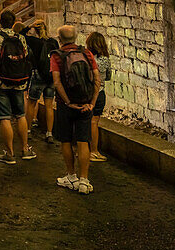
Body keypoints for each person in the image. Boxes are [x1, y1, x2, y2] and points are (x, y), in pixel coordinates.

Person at [51, 25, 101, 194]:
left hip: (66, 105)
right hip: (86, 103)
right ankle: (84, 181)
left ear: (59, 39)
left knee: (65, 140)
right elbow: (97, 78)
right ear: (76, 37)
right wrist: (92, 102)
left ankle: (71, 176)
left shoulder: (56, 56)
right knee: (83, 140)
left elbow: (57, 82)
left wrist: (67, 102)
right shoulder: (87, 53)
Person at [0, 10, 35, 164]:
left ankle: (10, 153)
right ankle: (25, 149)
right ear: (13, 22)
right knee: (20, 115)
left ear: (0, 21)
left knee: (4, 117)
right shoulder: (20, 38)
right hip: (19, 82)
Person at [23, 19, 57, 143]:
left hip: (38, 75)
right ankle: (49, 133)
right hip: (51, 76)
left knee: (31, 103)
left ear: (35, 29)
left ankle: (27, 130)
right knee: (49, 105)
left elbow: (20, 34)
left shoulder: (34, 41)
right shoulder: (53, 42)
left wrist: (29, 26)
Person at [87, 31, 111, 162]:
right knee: (94, 122)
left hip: (85, 93)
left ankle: (83, 149)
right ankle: (94, 151)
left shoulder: (85, 57)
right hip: (99, 92)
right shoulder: (104, 60)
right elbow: (108, 76)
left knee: (84, 121)